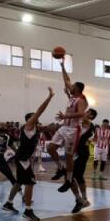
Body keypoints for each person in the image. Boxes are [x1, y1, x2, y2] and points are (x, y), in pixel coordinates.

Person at [0, 87, 55, 221]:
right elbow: (40, 110)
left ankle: (8, 203)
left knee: (19, 182)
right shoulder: (29, 125)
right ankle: (28, 210)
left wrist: (65, 121)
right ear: (29, 119)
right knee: (30, 183)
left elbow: (50, 127)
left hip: (23, 158)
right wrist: (49, 97)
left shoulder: (36, 128)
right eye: (34, 116)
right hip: (22, 159)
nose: (37, 118)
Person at [48, 57, 88, 193]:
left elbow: (81, 113)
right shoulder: (72, 97)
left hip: (73, 130)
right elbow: (67, 80)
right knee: (50, 148)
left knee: (68, 156)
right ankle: (60, 169)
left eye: (72, 87)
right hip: (64, 127)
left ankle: (69, 179)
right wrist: (62, 67)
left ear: (77, 89)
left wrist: (65, 116)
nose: (70, 87)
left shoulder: (81, 100)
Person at [70, 109, 98, 213]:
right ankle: (81, 199)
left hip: (83, 153)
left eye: (88, 113)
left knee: (74, 176)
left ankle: (83, 200)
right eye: (86, 111)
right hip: (74, 152)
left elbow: (95, 138)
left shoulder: (90, 125)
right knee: (71, 177)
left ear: (91, 117)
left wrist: (89, 141)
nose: (85, 113)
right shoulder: (79, 124)